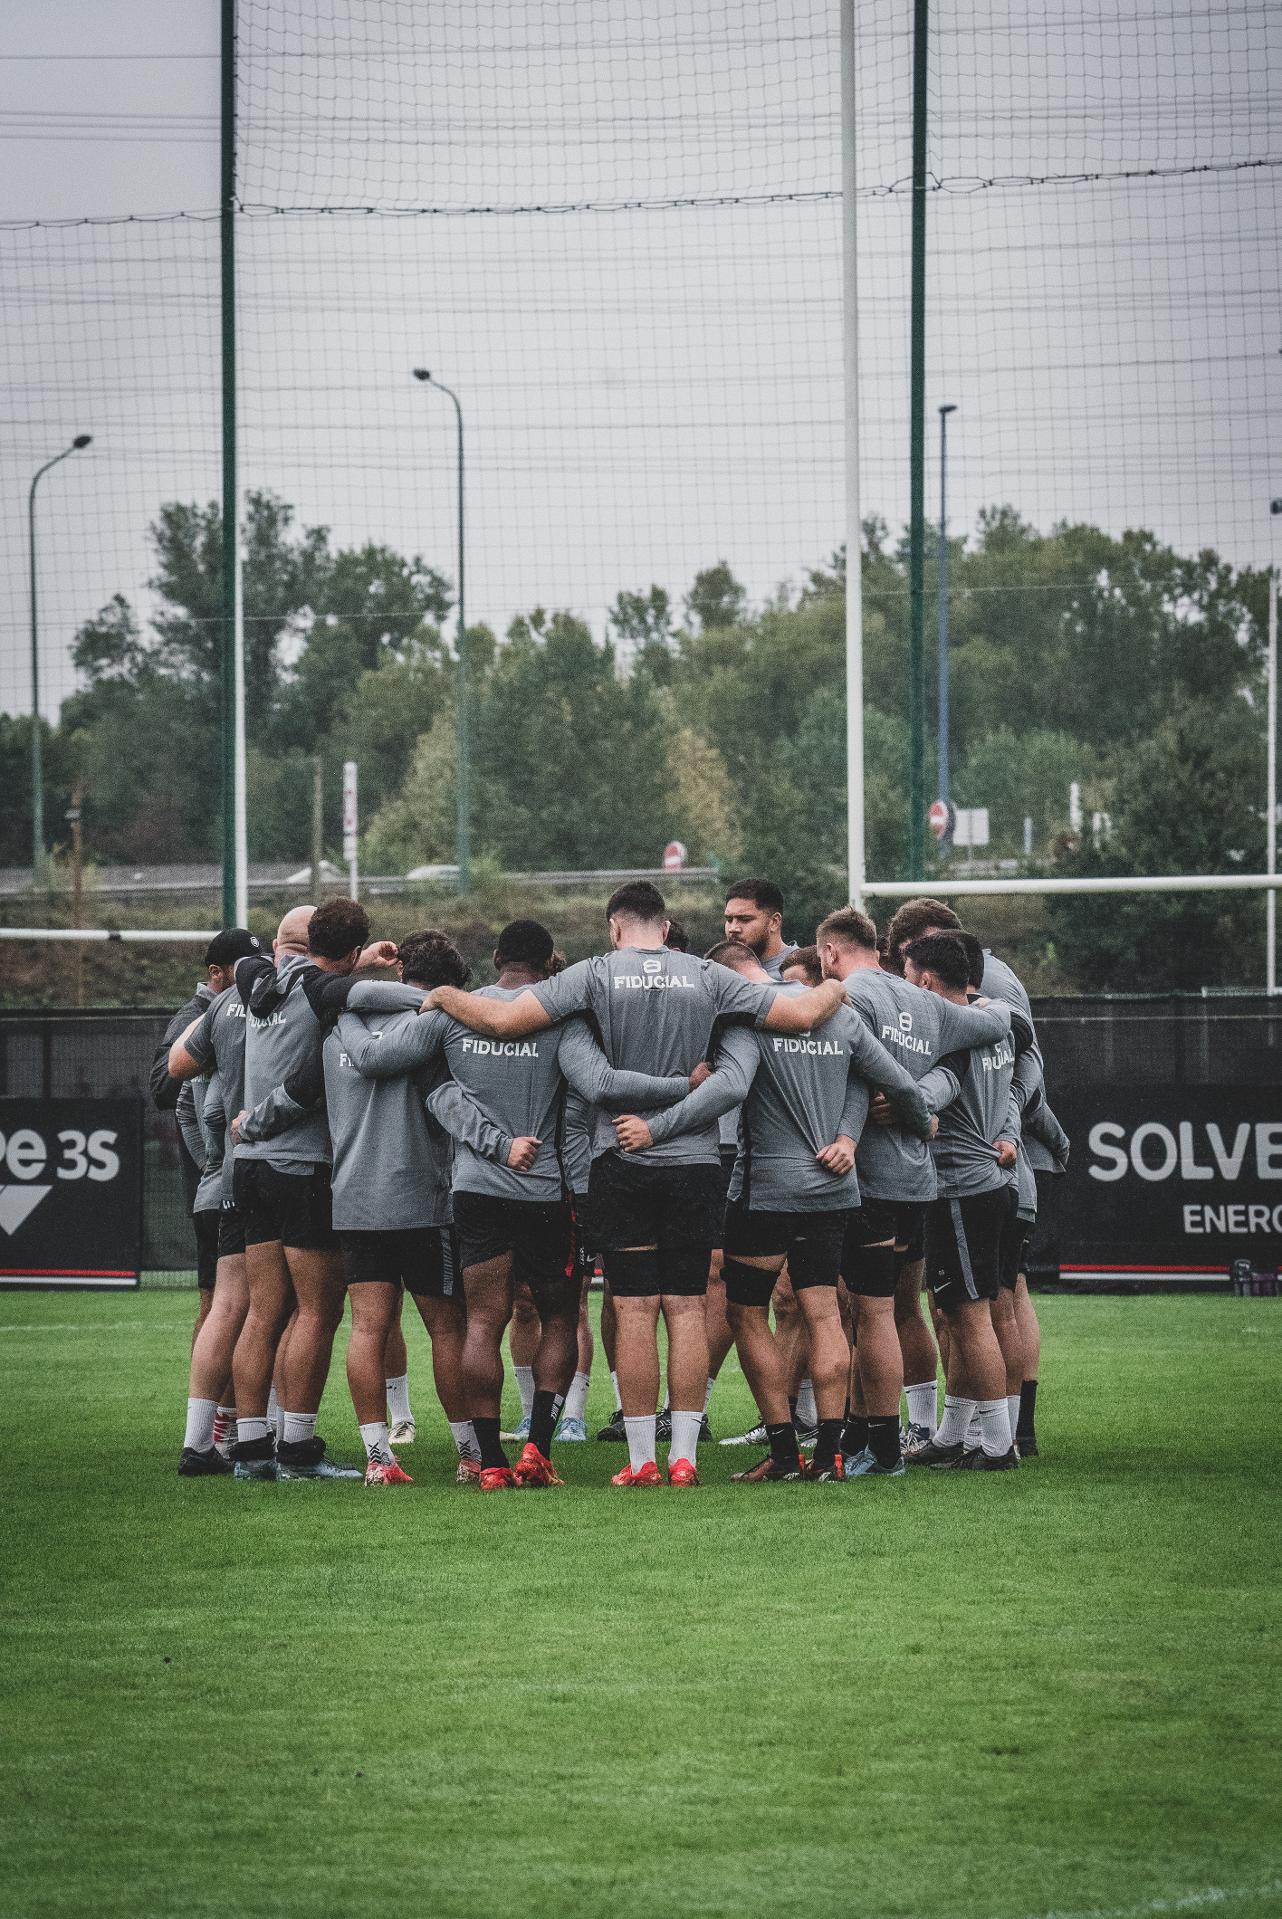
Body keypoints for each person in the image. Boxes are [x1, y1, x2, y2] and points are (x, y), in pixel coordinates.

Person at [418, 882, 849, 1487]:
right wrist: (835, 982)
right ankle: (685, 1461)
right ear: (667, 928)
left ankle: (642, 1458)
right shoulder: (708, 975)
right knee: (689, 1308)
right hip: (697, 1162)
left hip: (620, 1155)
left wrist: (441, 995)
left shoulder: (593, 974)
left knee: (635, 1308)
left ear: (615, 929)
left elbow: (507, 1019)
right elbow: (802, 1013)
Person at [337, 917, 695, 1490]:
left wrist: (342, 1004)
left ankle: (490, 1464)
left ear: (498, 959)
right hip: (548, 1194)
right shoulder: (558, 1019)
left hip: (478, 1190)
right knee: (558, 1317)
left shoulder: (457, 1012)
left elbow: (387, 1064)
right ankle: (537, 1448)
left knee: (483, 1322)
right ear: (549, 962)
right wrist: (683, 1085)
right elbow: (602, 1084)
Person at [612, 938, 934, 1481]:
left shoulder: (747, 1023)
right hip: (832, 1190)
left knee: (744, 1313)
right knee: (826, 1313)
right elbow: (894, 1083)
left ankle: (785, 1453)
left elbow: (724, 1091)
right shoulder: (839, 1016)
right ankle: (831, 1455)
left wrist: (656, 1128)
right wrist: (899, 1128)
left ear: (727, 979)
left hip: (767, 1194)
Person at [236, 927, 497, 1486]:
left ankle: (378, 1459)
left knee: (366, 1330)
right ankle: (470, 1455)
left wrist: (246, 1124)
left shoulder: (336, 1032)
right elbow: (449, 1102)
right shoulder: (436, 1027)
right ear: (448, 986)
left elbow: (295, 1095)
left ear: (402, 973)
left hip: (353, 1202)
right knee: (448, 1332)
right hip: (424, 1204)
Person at [815, 907, 1013, 1476]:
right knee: (905, 1310)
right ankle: (918, 1431)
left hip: (870, 1178)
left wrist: (905, 1100)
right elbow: (998, 1024)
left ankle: (885, 1446)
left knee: (871, 1312)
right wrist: (926, 1095)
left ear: (829, 953)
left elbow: (854, 1074)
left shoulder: (854, 996)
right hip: (919, 1181)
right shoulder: (925, 1004)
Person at [228, 900, 396, 1481]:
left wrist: (357, 962)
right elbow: (310, 1079)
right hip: (299, 1163)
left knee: (263, 1311)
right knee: (318, 1311)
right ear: (339, 953)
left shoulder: (254, 980)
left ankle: (250, 1448)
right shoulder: (322, 993)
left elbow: (278, 968)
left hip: (248, 1166)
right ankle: (297, 1448)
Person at [885, 898, 1048, 1454]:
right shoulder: (998, 1024)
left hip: (960, 1186)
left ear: (928, 980)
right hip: (996, 1184)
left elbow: (941, 1090)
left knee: (970, 1315)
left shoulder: (954, 1037)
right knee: (969, 1312)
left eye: (907, 978)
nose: (906, 989)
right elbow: (1014, 1083)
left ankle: (997, 1444)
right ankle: (958, 1432)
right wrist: (1006, 1134)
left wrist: (906, 1106)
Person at [167, 930, 262, 1476]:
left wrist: (211, 1161)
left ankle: (208, 1438)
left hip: (221, 1183)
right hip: (248, 1180)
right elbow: (183, 1093)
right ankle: (250, 1436)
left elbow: (185, 1096)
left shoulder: (223, 1013)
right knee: (266, 1312)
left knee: (226, 1309)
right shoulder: (236, 1011)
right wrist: (215, 1157)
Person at [150, 930, 262, 1350]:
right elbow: (164, 1088)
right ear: (216, 974)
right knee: (219, 1303)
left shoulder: (257, 1006)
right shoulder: (198, 1014)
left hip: (247, 1177)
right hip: (217, 1185)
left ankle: (235, 1414)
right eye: (243, 968)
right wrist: (212, 1163)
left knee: (254, 1306)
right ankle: (218, 1413)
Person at [723, 879, 796, 977]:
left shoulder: (805, 970)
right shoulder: (719, 972)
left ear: (774, 922)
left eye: (745, 919)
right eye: (729, 919)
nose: (733, 928)